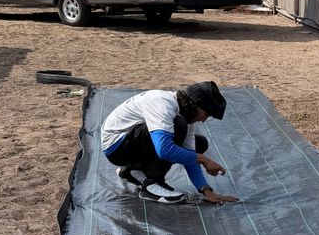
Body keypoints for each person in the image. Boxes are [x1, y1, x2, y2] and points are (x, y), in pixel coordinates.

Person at [101, 80, 238, 205]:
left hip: (130, 143)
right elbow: (164, 150)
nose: (203, 120)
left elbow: (191, 155)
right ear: (195, 105)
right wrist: (204, 159)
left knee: (199, 143)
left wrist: (205, 190)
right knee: (178, 126)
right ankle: (152, 185)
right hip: (116, 147)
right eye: (206, 115)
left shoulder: (184, 113)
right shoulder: (162, 103)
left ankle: (132, 171)